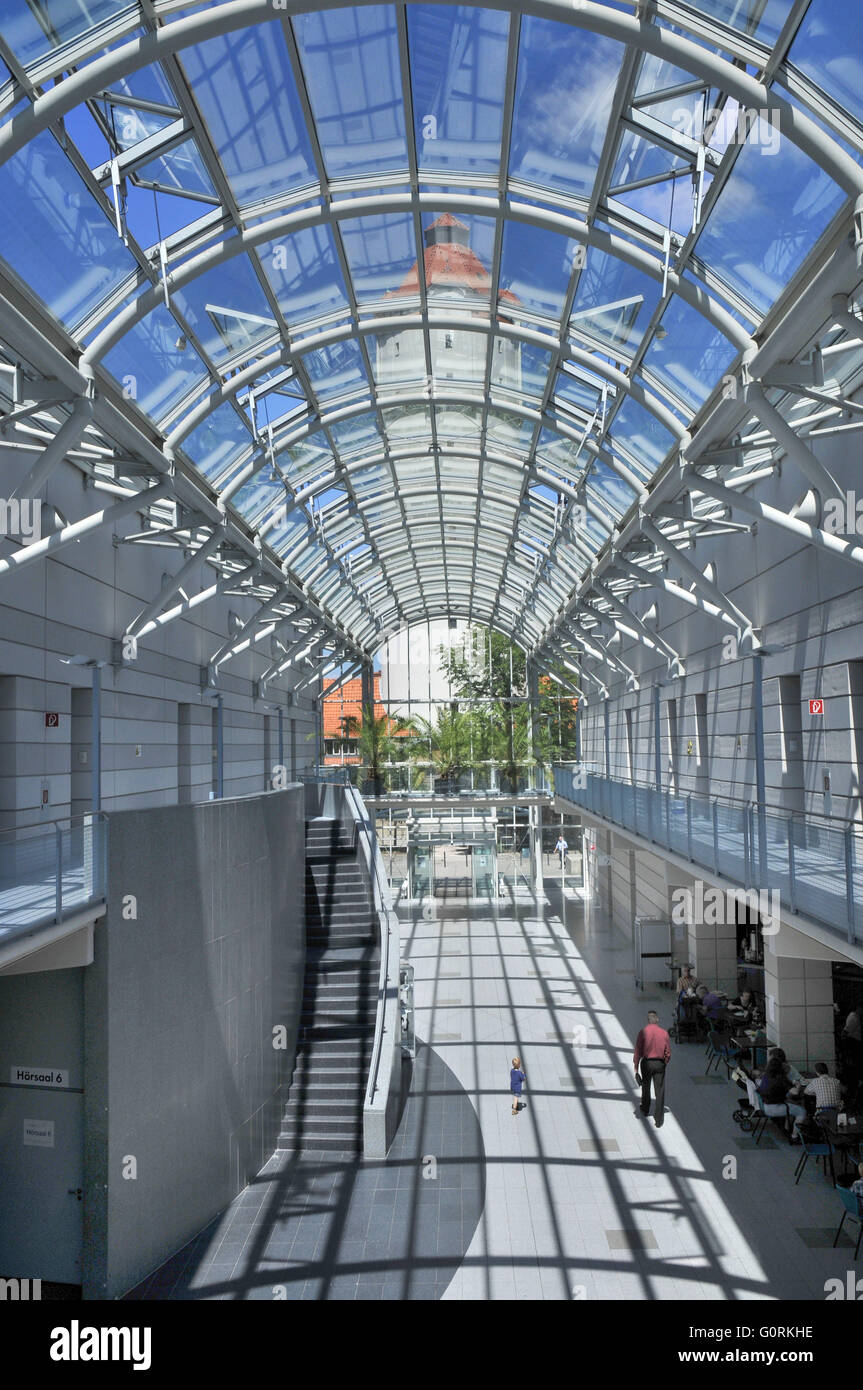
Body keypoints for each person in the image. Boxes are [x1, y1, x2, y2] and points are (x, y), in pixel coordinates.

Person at [633, 1010, 671, 1128]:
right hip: (659, 1064)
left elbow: (637, 1051)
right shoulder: (664, 1033)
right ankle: (659, 1119)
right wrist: (664, 1062)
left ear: (648, 1020)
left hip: (647, 1063)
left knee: (646, 1086)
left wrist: (636, 1068)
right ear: (657, 1020)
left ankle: (645, 1109)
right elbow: (668, 1052)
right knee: (659, 1091)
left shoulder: (643, 1032)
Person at [758, 1056, 806, 1139]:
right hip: (776, 1108)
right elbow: (795, 1092)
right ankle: (794, 1136)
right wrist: (798, 1085)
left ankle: (787, 1127)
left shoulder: (765, 1076)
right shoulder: (781, 1079)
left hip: (764, 1106)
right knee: (801, 1112)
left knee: (792, 1105)